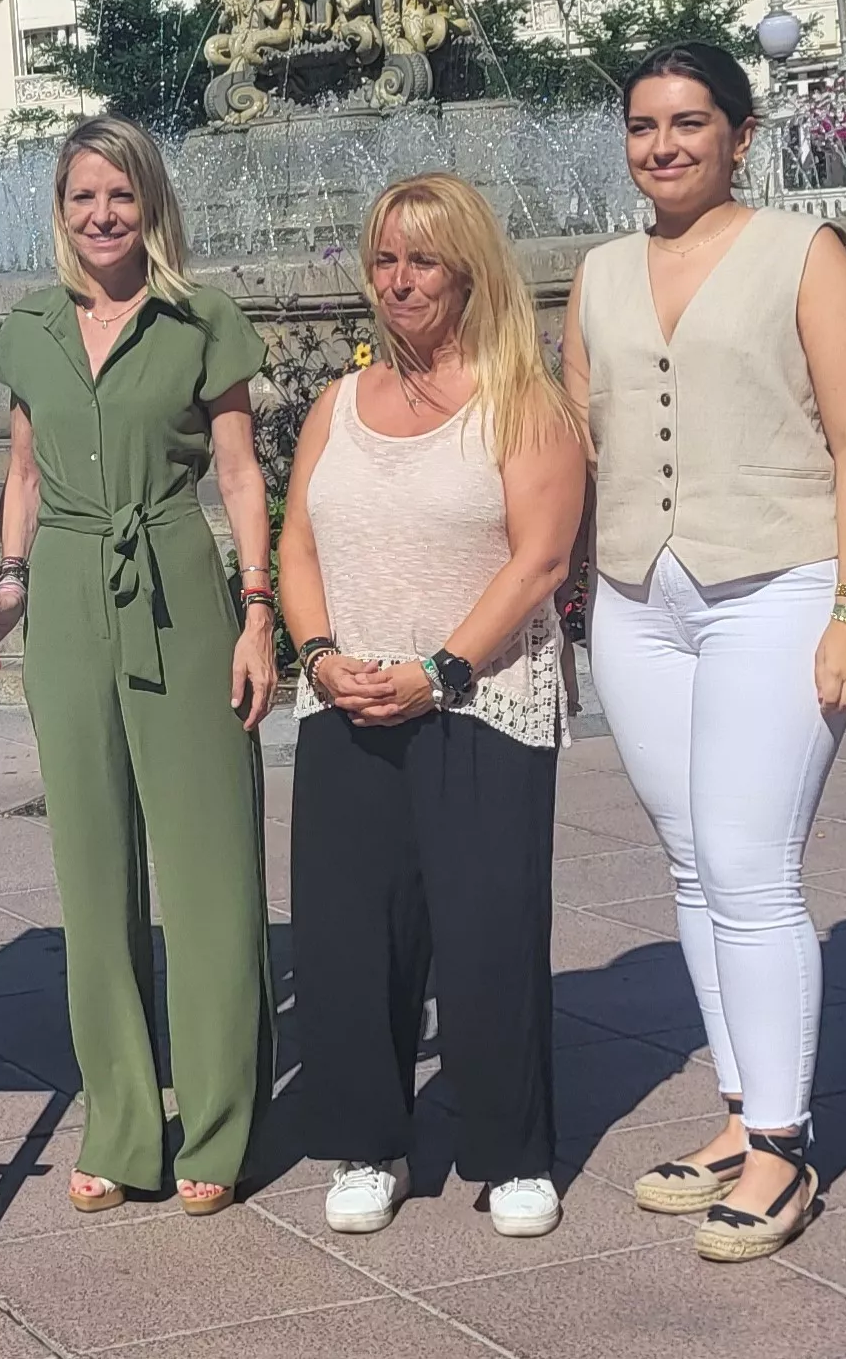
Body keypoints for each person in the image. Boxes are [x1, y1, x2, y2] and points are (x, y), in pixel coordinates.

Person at [563, 44, 846, 1262]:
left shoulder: (800, 255)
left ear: (739, 136)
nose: (662, 145)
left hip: (777, 584)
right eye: (643, 126)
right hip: (639, 598)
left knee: (751, 868)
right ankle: (738, 1113)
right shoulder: (597, 273)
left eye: (688, 123)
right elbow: (585, 443)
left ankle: (784, 1148)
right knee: (693, 866)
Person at [0, 115, 277, 1217]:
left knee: (205, 870)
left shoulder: (202, 320)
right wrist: (4, 586)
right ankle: (119, 1123)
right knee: (89, 874)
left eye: (120, 195)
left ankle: (216, 1122)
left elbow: (240, 476)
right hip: (63, 595)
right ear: (58, 213)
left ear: (150, 203)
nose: (101, 216)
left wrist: (258, 616)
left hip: (175, 586)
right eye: (80, 199)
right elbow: (19, 471)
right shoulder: (31, 329)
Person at [277, 174, 585, 1239]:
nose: (397, 281)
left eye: (421, 261)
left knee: (486, 934)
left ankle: (510, 1152)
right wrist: (315, 657)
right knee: (347, 940)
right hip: (347, 704)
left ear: (466, 271)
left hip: (480, 703)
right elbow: (298, 543)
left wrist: (441, 671)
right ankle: (370, 1143)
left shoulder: (519, 400)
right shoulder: (335, 404)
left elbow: (539, 562)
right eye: (382, 260)